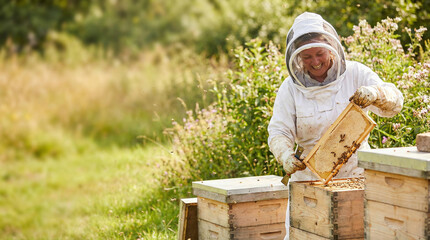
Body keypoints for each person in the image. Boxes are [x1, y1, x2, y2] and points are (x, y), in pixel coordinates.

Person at [267, 12, 404, 239]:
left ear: (331, 47)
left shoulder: (355, 73)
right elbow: (279, 131)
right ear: (297, 56)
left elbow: (395, 102)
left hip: (356, 175)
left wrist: (376, 94)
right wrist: (285, 155)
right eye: (307, 56)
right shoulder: (290, 89)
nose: (316, 61)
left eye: (319, 53)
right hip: (309, 180)